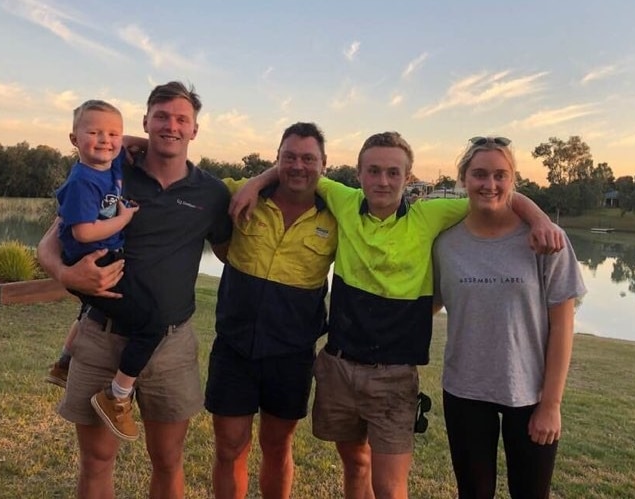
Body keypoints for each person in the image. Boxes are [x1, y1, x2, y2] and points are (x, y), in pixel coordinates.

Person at [231, 131, 564, 499]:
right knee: (356, 464)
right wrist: (256, 183)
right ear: (357, 174)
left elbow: (495, 193)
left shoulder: (431, 214)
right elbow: (296, 168)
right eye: (373, 171)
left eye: (393, 172)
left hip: (395, 377)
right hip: (340, 367)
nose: (383, 181)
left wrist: (539, 220)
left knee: (389, 487)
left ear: (408, 178)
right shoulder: (342, 200)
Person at [37, 81, 232, 498]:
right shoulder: (111, 172)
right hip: (102, 337)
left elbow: (230, 251)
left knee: (167, 461)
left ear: (195, 129)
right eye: (161, 117)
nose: (171, 126)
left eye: (182, 119)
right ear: (146, 121)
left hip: (172, 346)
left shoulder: (211, 193)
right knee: (96, 462)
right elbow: (52, 241)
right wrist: (67, 276)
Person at [432, 136, 586, 498]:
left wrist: (551, 404)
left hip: (530, 392)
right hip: (464, 390)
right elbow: (431, 304)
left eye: (501, 175)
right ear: (464, 179)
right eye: (479, 174)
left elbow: (563, 326)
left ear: (513, 179)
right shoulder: (444, 243)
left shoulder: (547, 240)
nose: (490, 185)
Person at [206, 122, 337, 499]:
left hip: (292, 354)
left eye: (308, 158)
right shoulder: (239, 195)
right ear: (276, 160)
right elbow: (188, 176)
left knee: (277, 447)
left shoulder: (336, 216)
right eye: (289, 157)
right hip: (234, 347)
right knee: (229, 446)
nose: (298, 166)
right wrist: (257, 181)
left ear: (324, 164)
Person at [47, 99, 168, 443]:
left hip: (105, 255)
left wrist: (125, 138)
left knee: (92, 306)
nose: (105, 140)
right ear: (74, 139)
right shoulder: (83, 180)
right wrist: (123, 218)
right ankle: (116, 395)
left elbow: (134, 141)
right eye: (94, 133)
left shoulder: (111, 164)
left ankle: (65, 361)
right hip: (92, 261)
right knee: (152, 322)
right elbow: (83, 231)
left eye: (112, 133)